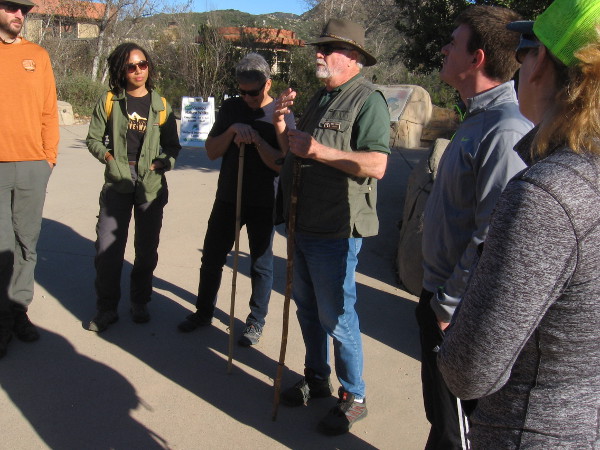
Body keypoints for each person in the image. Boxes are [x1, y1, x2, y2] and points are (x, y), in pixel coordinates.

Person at [438, 0, 600, 447]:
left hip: (530, 430)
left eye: (526, 50)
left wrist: (452, 314)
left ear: (541, 63)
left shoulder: (546, 194)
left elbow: (470, 370)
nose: (518, 64)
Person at [416, 5, 533, 449]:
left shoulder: (504, 129)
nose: (444, 48)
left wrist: (448, 305)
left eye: (453, 41)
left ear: (476, 58)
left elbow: (493, 236)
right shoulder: (477, 118)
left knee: (457, 429)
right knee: (441, 418)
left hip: (456, 311)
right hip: (438, 299)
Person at [274, 19, 390, 435]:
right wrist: (281, 120)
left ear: (353, 57)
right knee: (307, 309)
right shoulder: (322, 97)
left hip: (336, 229)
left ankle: (354, 395)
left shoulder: (368, 100)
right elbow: (295, 148)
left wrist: (319, 149)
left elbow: (377, 165)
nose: (318, 54)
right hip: (302, 222)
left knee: (337, 316)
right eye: (318, 48)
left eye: (328, 48)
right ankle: (317, 378)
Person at [177, 53, 295, 346]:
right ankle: (203, 312)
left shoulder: (280, 113)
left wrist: (256, 139)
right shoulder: (231, 108)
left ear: (267, 84)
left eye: (253, 92)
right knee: (212, 257)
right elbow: (212, 151)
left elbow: (282, 162)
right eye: (241, 91)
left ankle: (255, 322)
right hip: (229, 195)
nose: (247, 97)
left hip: (264, 201)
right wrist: (231, 131)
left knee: (261, 264)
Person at [86, 42, 181, 332]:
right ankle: (106, 308)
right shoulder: (110, 101)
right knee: (107, 248)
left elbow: (172, 147)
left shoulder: (161, 105)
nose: (138, 71)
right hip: (118, 179)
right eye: (131, 66)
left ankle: (139, 300)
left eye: (143, 64)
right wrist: (110, 158)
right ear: (121, 70)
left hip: (150, 182)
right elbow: (92, 139)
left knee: (146, 248)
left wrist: (161, 164)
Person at [0, 0, 59, 358]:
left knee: (26, 243)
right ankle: (2, 321)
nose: (19, 14)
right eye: (10, 7)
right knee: (1, 246)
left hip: (33, 164)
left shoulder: (38, 55)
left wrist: (48, 158)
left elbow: (49, 109)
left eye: (24, 10)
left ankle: (18, 311)